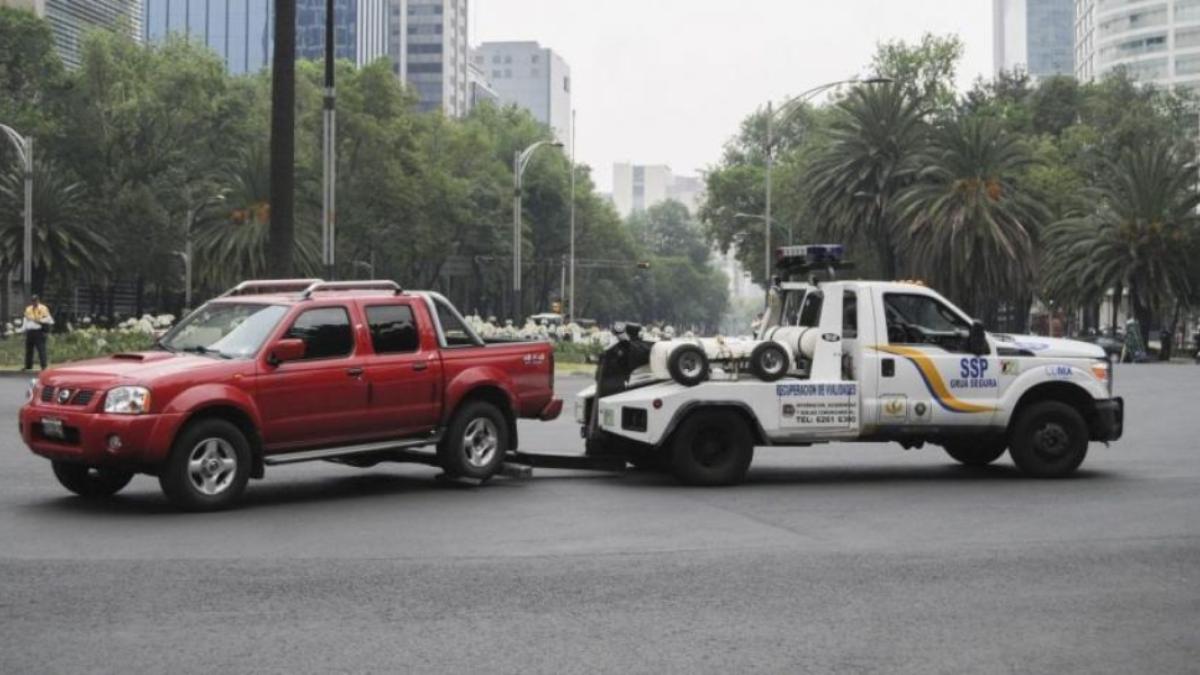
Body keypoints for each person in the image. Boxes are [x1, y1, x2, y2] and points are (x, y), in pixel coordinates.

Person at [22, 294, 53, 371]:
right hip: (30, 331)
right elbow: (25, 320)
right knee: (29, 350)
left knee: (41, 349)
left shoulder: (43, 308)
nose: (34, 302)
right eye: (32, 301)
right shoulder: (28, 309)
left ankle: (44, 366)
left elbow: (49, 319)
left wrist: (40, 321)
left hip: (38, 331)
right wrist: (23, 329)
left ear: (38, 300)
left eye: (35, 301)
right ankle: (28, 366)